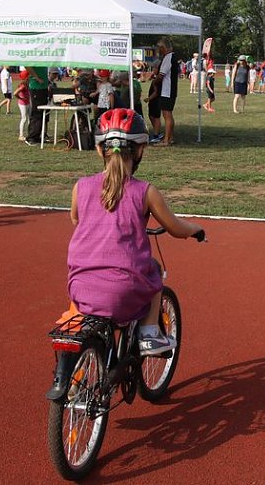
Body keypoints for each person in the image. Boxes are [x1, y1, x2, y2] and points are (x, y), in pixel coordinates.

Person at [66, 108, 204, 357]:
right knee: (153, 271)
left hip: (79, 286)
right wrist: (196, 229)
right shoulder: (145, 191)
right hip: (123, 290)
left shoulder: (80, 187)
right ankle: (149, 332)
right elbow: (175, 227)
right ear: (140, 150)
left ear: (99, 149)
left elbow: (76, 219)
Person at [151, 38, 179, 146]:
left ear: (163, 48)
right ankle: (170, 137)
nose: (159, 51)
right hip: (170, 90)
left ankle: (166, 140)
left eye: (159, 48)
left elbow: (161, 75)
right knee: (169, 115)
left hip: (167, 90)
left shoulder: (168, 57)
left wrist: (154, 81)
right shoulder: (172, 57)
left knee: (167, 115)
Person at [24, 66, 50, 146]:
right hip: (37, 87)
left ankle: (37, 136)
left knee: (42, 113)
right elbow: (27, 65)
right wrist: (37, 77)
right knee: (36, 113)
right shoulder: (34, 58)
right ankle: (31, 137)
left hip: (43, 87)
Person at [13, 70, 30, 141]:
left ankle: (30, 133)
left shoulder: (27, 83)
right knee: (24, 118)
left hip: (27, 102)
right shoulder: (23, 85)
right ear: (26, 77)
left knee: (30, 119)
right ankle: (21, 135)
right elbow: (15, 93)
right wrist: (20, 98)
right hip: (23, 103)